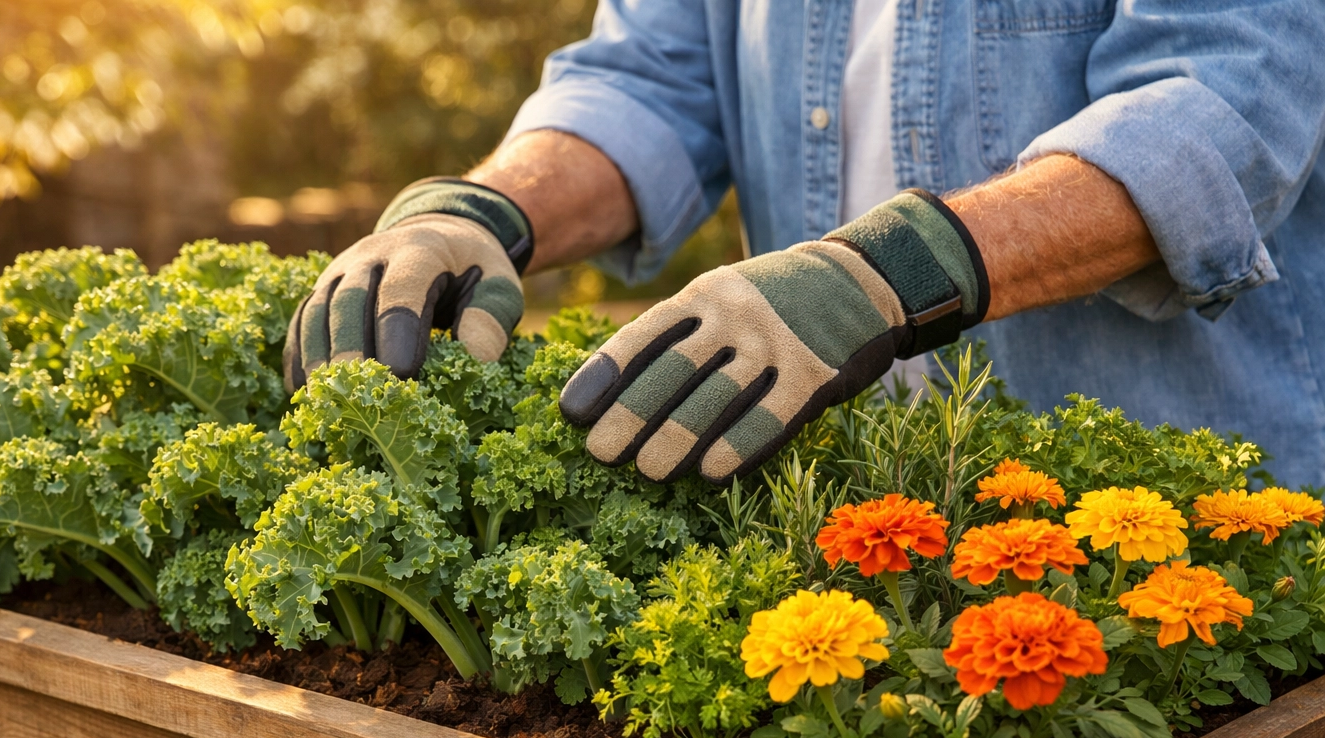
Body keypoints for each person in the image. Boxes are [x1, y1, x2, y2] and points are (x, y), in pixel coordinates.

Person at [286, 0, 1325, 487]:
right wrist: (481, 211)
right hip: (850, 514)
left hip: (1188, 531)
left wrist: (891, 273)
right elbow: (650, 79)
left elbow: (1215, 113)